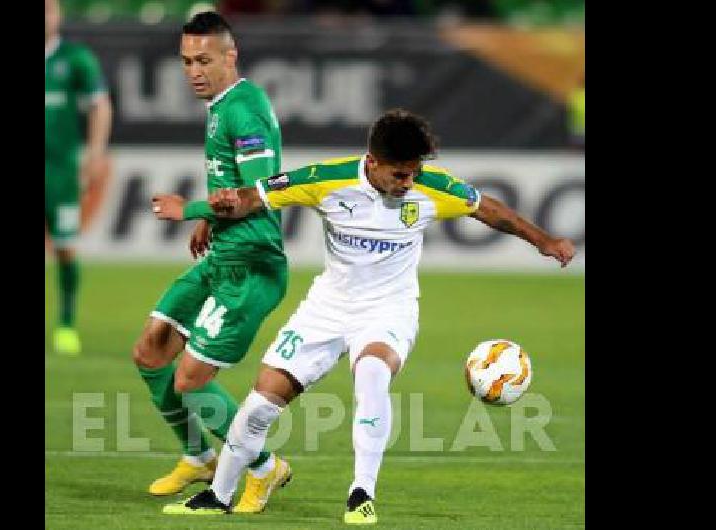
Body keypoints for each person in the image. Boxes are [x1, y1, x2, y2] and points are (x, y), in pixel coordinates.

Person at [151, 108, 575, 523]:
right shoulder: (325, 180)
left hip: (389, 309)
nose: (409, 183)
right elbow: (251, 198)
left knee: (372, 373)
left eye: (414, 172)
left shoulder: (433, 188)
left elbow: (490, 210)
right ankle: (218, 495)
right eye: (400, 174)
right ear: (372, 162)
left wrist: (543, 240)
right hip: (327, 308)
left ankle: (361, 494)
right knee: (261, 402)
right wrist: (193, 211)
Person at [134, 11, 291, 514]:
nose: (194, 71)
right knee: (151, 350)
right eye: (185, 62)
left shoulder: (245, 111)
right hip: (225, 250)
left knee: (190, 379)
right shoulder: (222, 105)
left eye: (204, 60)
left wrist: (192, 209)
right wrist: (213, 222)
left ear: (231, 56)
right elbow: (235, 187)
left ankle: (265, 470)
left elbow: (262, 192)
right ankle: (199, 456)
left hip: (250, 266)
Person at [45, 0, 113, 355]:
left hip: (59, 173)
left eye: (49, 9)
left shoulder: (74, 59)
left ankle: (66, 325)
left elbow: (100, 104)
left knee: (65, 248)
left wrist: (96, 152)